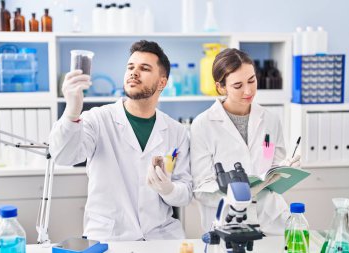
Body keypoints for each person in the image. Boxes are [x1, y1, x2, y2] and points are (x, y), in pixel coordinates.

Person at [49, 40, 192, 241]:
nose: (134, 73)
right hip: (110, 237)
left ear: (162, 82)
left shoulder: (176, 131)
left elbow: (185, 192)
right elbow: (63, 156)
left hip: (161, 236)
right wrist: (72, 111)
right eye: (130, 67)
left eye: (144, 68)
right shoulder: (97, 119)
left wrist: (168, 189)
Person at [190, 48, 300, 235]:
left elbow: (274, 167)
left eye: (251, 80)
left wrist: (286, 169)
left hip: (272, 221)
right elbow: (201, 188)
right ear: (221, 87)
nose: (248, 90)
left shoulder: (271, 119)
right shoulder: (203, 124)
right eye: (238, 85)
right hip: (228, 223)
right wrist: (241, 194)